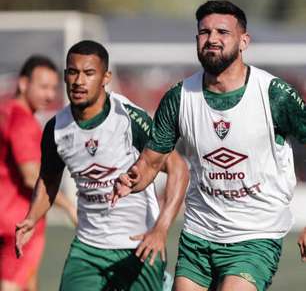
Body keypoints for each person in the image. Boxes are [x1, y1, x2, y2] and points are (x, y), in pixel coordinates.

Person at [113, 0, 306, 291]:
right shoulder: (179, 97)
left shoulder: (274, 95)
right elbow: (152, 162)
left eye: (222, 32)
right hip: (198, 236)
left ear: (244, 41)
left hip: (255, 236)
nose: (212, 39)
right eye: (204, 32)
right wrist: (133, 179)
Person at [15, 40, 189, 291]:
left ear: (106, 77)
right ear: (65, 75)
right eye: (73, 72)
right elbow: (48, 180)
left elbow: (178, 168)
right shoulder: (56, 128)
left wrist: (161, 229)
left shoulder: (128, 118)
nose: (78, 81)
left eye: (88, 73)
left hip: (138, 246)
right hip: (88, 248)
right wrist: (31, 218)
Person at [0, 56, 77, 291]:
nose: (50, 95)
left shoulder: (5, 112)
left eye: (54, 88)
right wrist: (69, 206)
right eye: (43, 87)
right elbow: (31, 175)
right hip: (21, 222)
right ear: (23, 84)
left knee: (29, 283)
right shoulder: (23, 121)